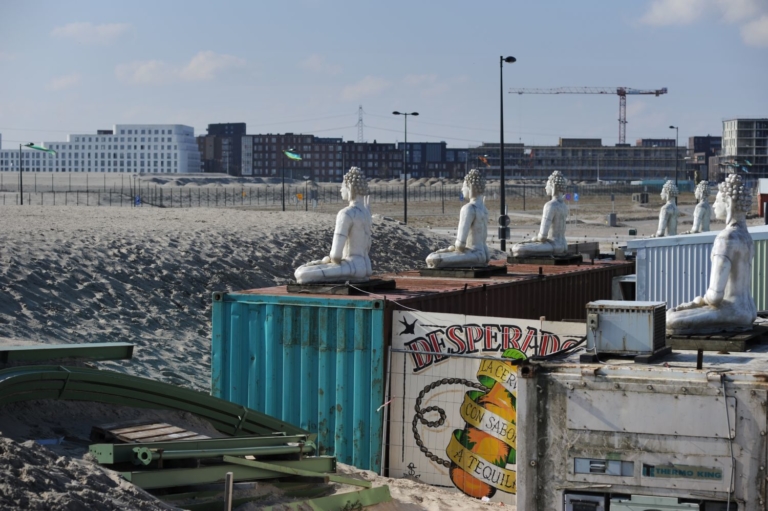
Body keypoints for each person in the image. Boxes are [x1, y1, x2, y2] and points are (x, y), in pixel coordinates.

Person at [666, 174, 757, 334]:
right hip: (749, 310)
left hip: (731, 311)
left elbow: (715, 297)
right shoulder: (746, 237)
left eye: (719, 200)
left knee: (671, 319)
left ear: (729, 203)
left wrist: (695, 302)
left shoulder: (726, 238)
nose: (714, 204)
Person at [294, 167, 372, 284]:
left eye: (342, 187)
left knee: (301, 273)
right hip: (366, 266)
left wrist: (326, 261)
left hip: (352, 266)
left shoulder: (346, 213)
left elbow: (336, 256)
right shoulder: (366, 213)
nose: (341, 190)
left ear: (350, 188)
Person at [425, 169, 489, 268]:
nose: (462, 190)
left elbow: (460, 245)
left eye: (464, 187)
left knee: (433, 258)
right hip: (484, 255)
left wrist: (449, 249)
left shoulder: (469, 208)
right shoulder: (484, 209)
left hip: (473, 255)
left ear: (470, 187)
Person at [510, 170, 568, 257]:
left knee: (517, 248)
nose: (545, 188)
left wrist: (534, 239)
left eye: (547, 185)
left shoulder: (550, 205)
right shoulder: (564, 205)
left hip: (553, 245)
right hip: (564, 245)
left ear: (553, 187)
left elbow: (542, 237)